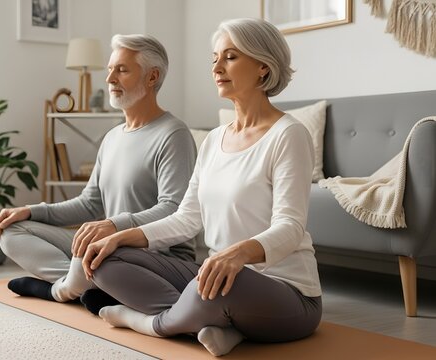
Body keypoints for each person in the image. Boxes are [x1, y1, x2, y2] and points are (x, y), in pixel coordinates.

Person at [81, 18, 322, 357]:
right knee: (106, 258)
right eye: (214, 58)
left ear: (263, 68)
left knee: (222, 286)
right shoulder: (213, 140)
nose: (217, 67)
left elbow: (290, 227)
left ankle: (148, 322)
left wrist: (237, 254)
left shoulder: (288, 135)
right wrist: (121, 234)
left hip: (287, 292)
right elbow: (186, 219)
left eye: (231, 57)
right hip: (213, 278)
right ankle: (215, 325)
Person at [0, 34, 197, 312]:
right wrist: (31, 211)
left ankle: (63, 288)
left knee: (99, 250)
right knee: (12, 231)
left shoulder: (173, 134)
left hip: (155, 255)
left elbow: (174, 209)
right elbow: (90, 203)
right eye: (110, 69)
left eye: (122, 70)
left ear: (152, 77)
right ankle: (80, 285)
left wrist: (114, 225)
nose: (110, 78)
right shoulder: (113, 137)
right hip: (108, 248)